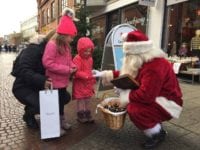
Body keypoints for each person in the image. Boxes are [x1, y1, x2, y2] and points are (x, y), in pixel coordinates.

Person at [94, 30, 183, 149]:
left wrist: (125, 97)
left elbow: (146, 95)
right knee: (135, 104)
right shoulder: (142, 60)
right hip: (157, 96)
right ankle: (154, 124)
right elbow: (127, 73)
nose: (126, 57)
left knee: (135, 110)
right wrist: (104, 74)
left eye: (128, 54)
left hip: (168, 101)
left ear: (137, 52)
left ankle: (156, 133)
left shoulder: (154, 66)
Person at [42, 7, 77, 133]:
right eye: (71, 37)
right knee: (54, 105)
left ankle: (62, 122)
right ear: (64, 35)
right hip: (54, 82)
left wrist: (72, 65)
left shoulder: (65, 46)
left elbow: (69, 60)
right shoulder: (52, 45)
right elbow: (47, 63)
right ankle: (55, 125)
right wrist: (67, 70)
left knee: (60, 103)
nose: (72, 40)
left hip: (62, 82)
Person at [12, 31, 55, 129]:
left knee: (63, 97)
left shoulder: (49, 50)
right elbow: (24, 70)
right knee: (42, 104)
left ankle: (31, 106)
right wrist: (42, 81)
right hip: (23, 87)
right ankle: (28, 116)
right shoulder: (32, 50)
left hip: (37, 86)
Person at [72, 37, 96, 123]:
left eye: (89, 51)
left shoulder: (90, 59)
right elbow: (75, 71)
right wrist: (86, 76)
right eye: (85, 51)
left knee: (88, 100)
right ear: (80, 49)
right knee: (81, 100)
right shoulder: (77, 58)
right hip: (80, 84)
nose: (88, 53)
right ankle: (81, 115)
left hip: (88, 83)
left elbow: (89, 70)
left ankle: (87, 113)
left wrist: (92, 77)